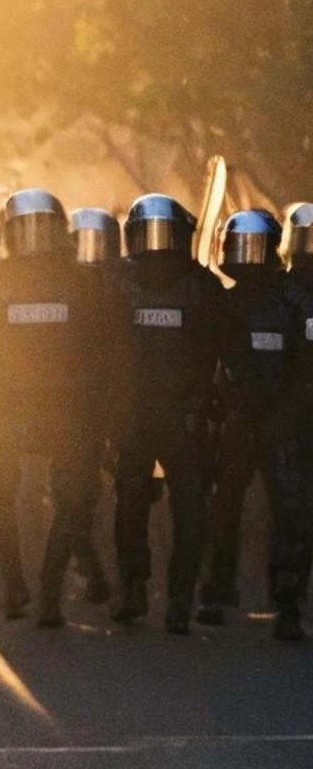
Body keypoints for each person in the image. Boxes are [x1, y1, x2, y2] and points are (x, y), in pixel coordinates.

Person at [0, 189, 125, 626]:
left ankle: (35, 591)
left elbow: (109, 352)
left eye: (42, 227)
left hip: (57, 410)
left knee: (58, 500)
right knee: (9, 496)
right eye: (25, 227)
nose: (34, 237)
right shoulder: (70, 281)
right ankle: (24, 589)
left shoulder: (78, 283)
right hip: (35, 410)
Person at [111, 195, 224, 633]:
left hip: (145, 416)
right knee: (188, 510)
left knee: (132, 505)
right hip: (180, 416)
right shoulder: (202, 285)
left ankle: (137, 592)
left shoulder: (120, 281)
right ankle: (177, 599)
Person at [199, 210, 312, 641]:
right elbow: (204, 364)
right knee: (223, 508)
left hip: (284, 423)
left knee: (291, 516)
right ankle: (216, 587)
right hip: (237, 422)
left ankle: (287, 603)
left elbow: (307, 372)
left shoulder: (296, 303)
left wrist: (287, 418)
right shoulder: (222, 304)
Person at [67, 207, 124, 605]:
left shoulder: (128, 284)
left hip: (106, 404)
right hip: (95, 405)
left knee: (82, 494)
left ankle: (102, 572)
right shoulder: (67, 285)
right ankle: (100, 572)